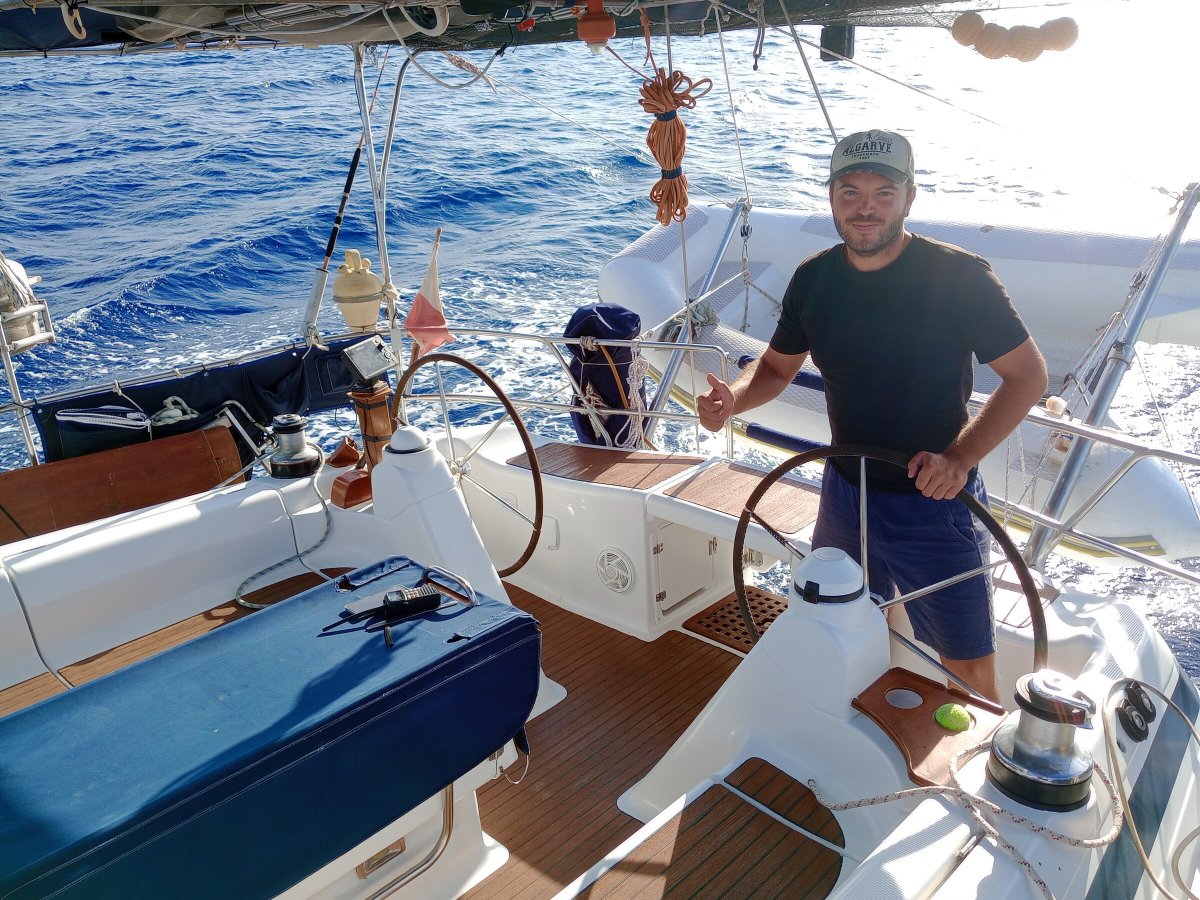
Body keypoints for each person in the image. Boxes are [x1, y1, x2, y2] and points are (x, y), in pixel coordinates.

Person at [698, 129, 1048, 702]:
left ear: (910, 197)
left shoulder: (960, 278)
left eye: (883, 193)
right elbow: (776, 370)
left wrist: (960, 459)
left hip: (935, 501)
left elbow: (1027, 375)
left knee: (967, 660)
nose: (865, 207)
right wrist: (735, 398)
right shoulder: (814, 279)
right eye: (850, 191)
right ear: (832, 197)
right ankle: (870, 723)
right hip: (844, 492)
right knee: (852, 625)